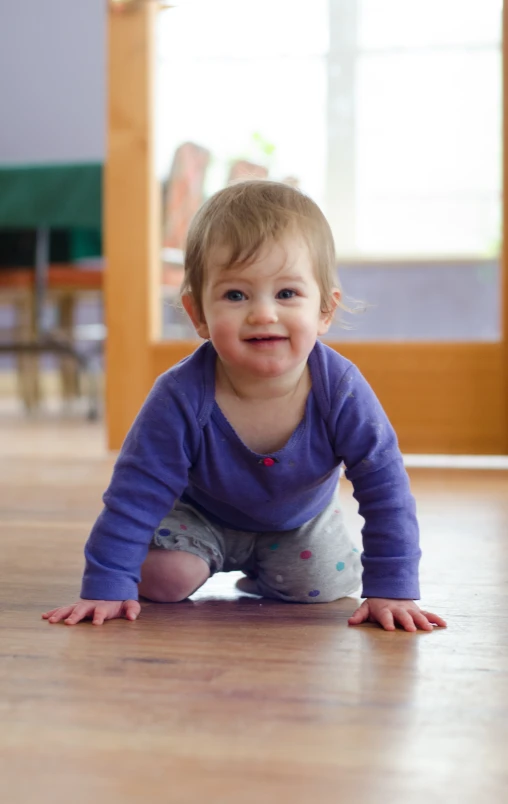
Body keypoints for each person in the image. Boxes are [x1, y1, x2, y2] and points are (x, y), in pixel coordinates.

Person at [43, 180, 446, 632]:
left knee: (318, 588)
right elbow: (134, 493)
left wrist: (392, 588)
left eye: (287, 294)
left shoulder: (341, 390)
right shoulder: (180, 394)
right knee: (160, 578)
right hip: (200, 518)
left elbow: (385, 487)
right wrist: (106, 584)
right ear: (198, 314)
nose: (263, 314)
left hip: (298, 523)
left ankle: (270, 570)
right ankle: (209, 562)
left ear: (325, 311)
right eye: (236, 295)